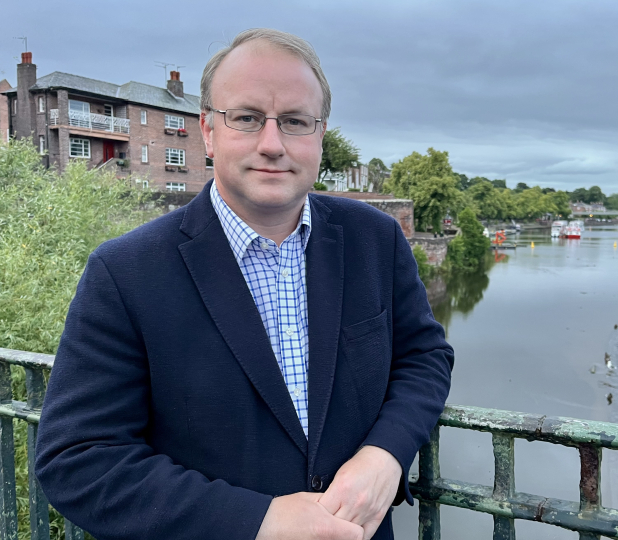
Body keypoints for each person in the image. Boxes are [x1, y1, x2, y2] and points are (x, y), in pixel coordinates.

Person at [35, 28, 453, 540]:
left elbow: (424, 355)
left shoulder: (375, 239)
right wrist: (258, 522)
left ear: (320, 135)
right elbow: (78, 461)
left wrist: (386, 453)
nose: (272, 144)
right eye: (248, 118)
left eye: (296, 122)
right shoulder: (124, 273)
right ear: (208, 131)